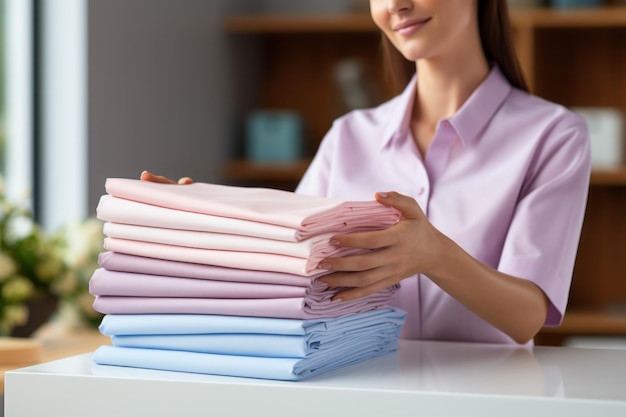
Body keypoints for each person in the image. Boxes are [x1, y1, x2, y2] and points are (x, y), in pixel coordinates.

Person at [142, 0, 591, 345]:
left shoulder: (552, 136)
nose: (395, 4)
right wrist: (205, 221)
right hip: (355, 390)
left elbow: (528, 315)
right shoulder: (348, 136)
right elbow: (287, 260)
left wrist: (433, 254)